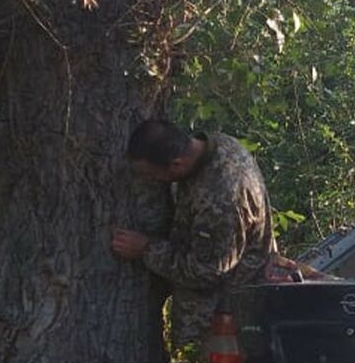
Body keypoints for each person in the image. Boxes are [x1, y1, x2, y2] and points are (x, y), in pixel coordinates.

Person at [112, 118, 275, 349]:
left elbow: (208, 270)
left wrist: (146, 248)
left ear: (176, 165)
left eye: (152, 175)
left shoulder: (221, 197)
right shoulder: (217, 146)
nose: (150, 182)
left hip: (228, 321)